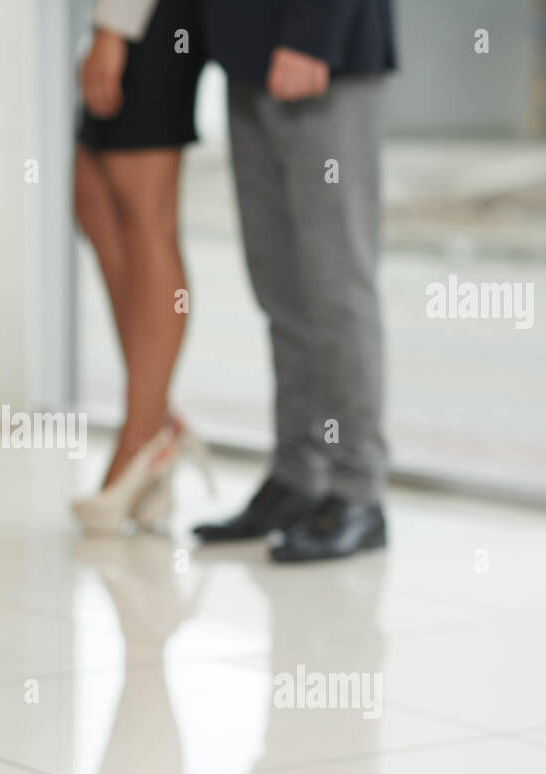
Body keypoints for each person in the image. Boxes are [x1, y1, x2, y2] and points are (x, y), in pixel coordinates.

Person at [190, 0, 397, 562]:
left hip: (321, 54)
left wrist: (314, 33)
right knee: (281, 289)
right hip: (248, 57)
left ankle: (358, 489)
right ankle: (297, 474)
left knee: (336, 289)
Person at [70, 0, 209, 534]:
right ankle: (157, 424)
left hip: (154, 17)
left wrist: (113, 27)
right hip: (133, 19)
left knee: (146, 218)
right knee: (96, 201)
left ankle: (142, 439)